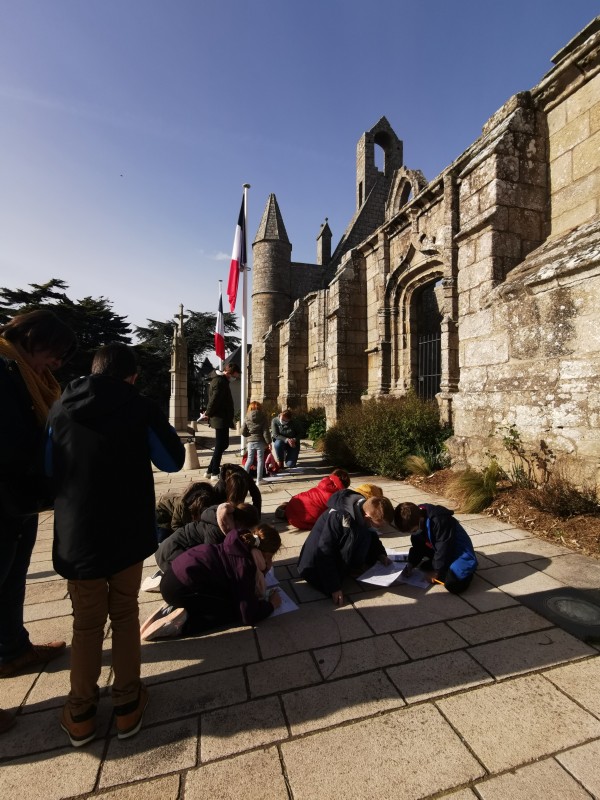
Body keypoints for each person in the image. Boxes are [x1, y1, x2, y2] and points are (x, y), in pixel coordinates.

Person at [48, 343, 185, 747]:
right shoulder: (139, 407)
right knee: (124, 614)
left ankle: (80, 714)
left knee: (85, 623)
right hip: (125, 529)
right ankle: (127, 706)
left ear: (93, 370)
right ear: (132, 376)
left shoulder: (60, 407)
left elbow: (47, 468)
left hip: (78, 534)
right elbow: (173, 461)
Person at [0, 309, 77, 735]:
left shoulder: (26, 373)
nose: (59, 364)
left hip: (19, 500)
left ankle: (12, 650)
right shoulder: (3, 368)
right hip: (5, 493)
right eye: (56, 353)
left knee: (12, 580)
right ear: (32, 338)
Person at [140, 523, 282, 640]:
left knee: (227, 596)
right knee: (232, 610)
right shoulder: (245, 566)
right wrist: (271, 605)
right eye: (269, 557)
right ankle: (182, 624)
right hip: (179, 590)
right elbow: (248, 615)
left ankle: (176, 606)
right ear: (259, 553)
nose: (270, 563)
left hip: (171, 576)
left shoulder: (239, 543)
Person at [297, 490, 394, 606]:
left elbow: (372, 536)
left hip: (336, 553)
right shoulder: (338, 516)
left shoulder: (362, 511)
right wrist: (334, 587)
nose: (380, 528)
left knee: (366, 533)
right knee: (361, 533)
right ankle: (348, 570)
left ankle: (352, 568)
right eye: (379, 525)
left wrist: (380, 555)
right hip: (313, 565)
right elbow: (325, 551)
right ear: (367, 516)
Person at [394, 502, 478, 594]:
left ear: (420, 519)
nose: (413, 533)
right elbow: (417, 546)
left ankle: (467, 574)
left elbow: (444, 548)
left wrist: (436, 572)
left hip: (459, 552)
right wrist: (411, 563)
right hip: (440, 549)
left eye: (413, 531)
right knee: (425, 565)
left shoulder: (440, 520)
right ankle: (440, 567)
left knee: (453, 585)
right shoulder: (417, 517)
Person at [154, 502, 260, 572]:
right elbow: (212, 561)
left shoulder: (223, 517)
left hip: (167, 548)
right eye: (249, 530)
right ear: (242, 524)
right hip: (168, 556)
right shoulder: (217, 533)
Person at [276, 468, 351, 529]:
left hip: (294, 502)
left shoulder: (324, 482)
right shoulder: (337, 496)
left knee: (308, 498)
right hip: (301, 520)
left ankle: (286, 511)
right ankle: (289, 513)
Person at [204, 362, 241, 480]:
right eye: (236, 374)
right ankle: (215, 472)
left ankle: (210, 470)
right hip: (220, 417)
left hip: (222, 417)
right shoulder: (220, 381)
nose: (237, 376)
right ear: (231, 372)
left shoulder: (222, 381)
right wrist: (208, 413)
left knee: (223, 444)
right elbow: (215, 399)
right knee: (221, 444)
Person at [241, 401, 271, 485]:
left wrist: (248, 435)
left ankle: (245, 479)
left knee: (249, 459)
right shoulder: (263, 417)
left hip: (250, 442)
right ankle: (259, 480)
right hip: (260, 441)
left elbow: (242, 431)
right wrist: (269, 442)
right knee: (260, 460)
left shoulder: (247, 417)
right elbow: (266, 432)